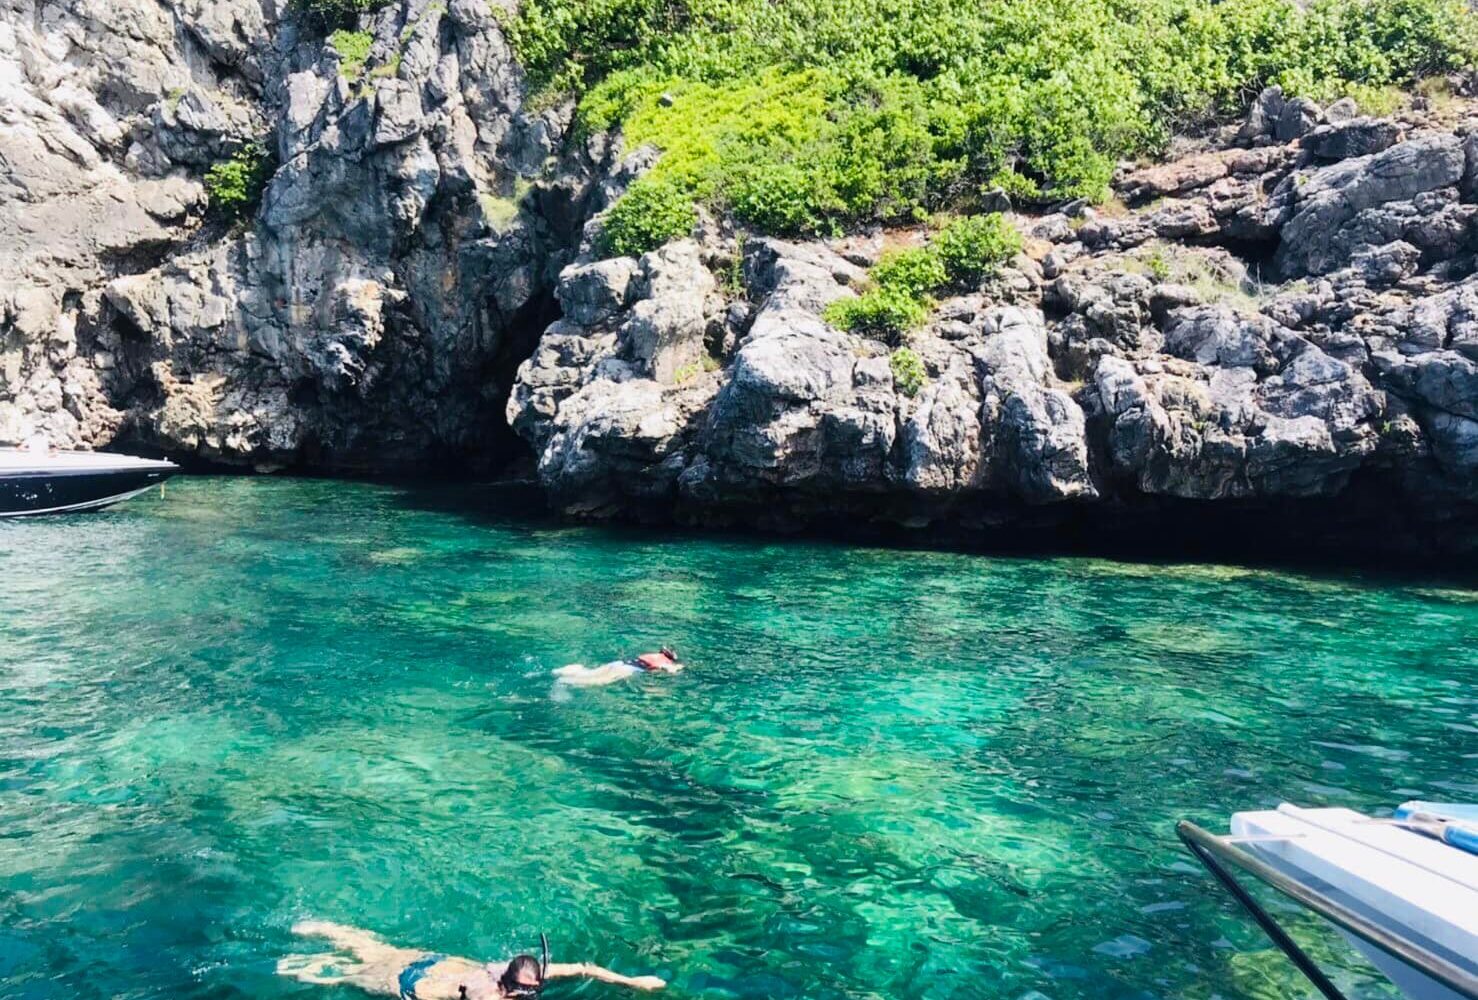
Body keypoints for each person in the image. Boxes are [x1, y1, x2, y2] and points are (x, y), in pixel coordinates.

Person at [277, 921, 665, 998]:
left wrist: (635, 982)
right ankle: (298, 966)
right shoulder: (487, 997)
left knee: (374, 949)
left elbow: (584, 968)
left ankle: (318, 927)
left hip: (432, 963)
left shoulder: (512, 972)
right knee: (343, 976)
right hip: (411, 987)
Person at [552, 646, 684, 688]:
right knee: (597, 682)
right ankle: (563, 682)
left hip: (620, 663)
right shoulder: (667, 662)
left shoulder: (654, 655)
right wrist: (677, 669)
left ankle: (570, 670)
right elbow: (668, 669)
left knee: (590, 673)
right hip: (628, 670)